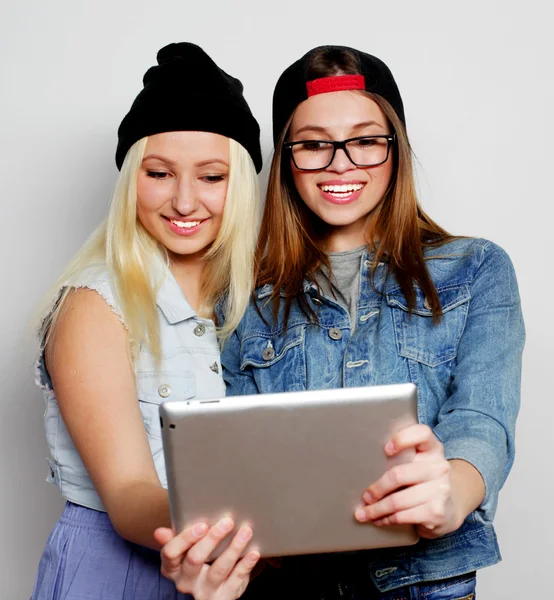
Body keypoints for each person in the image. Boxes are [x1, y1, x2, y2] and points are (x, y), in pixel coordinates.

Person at [159, 45, 525, 600]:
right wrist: (210, 554)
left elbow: (483, 418)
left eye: (364, 141)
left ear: (395, 149)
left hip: (426, 584)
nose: (340, 164)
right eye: (313, 145)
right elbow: (225, 452)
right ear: (286, 158)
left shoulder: (477, 269)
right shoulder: (238, 292)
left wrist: (451, 490)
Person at [31, 42, 264, 600]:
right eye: (159, 173)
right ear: (130, 179)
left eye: (211, 177)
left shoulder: (255, 303)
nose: (184, 202)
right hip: (120, 571)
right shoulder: (93, 305)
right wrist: (238, 524)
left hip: (230, 568)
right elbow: (130, 495)